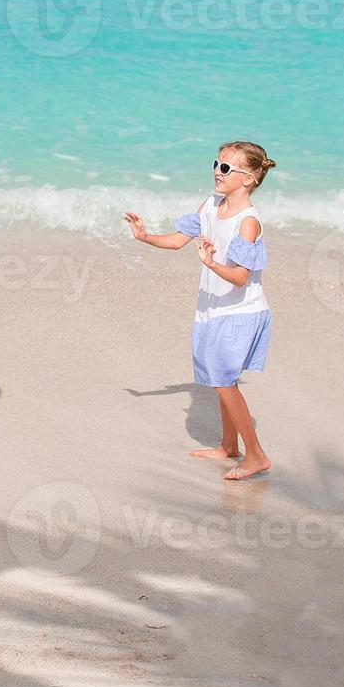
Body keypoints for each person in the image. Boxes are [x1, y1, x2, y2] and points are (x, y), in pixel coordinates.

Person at [124, 141, 276, 480]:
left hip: (240, 312)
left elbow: (239, 277)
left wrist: (209, 262)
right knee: (221, 380)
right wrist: (145, 237)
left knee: (223, 382)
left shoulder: (248, 222)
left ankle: (256, 456)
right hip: (211, 309)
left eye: (226, 168)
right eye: (215, 164)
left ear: (249, 178)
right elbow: (179, 239)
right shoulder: (210, 205)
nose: (216, 172)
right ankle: (229, 446)